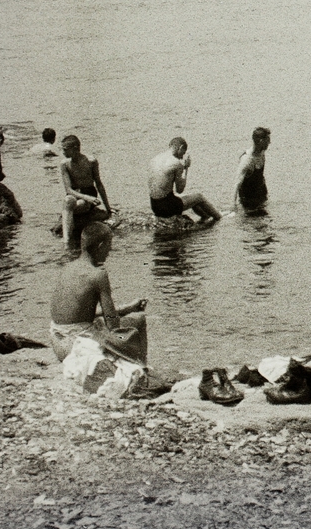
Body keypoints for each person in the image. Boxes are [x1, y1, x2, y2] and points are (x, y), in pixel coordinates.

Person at [48, 222, 147, 362]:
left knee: (107, 325)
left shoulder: (68, 267)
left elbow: (77, 315)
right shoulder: (98, 275)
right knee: (139, 321)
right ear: (100, 246)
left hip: (58, 342)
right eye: (109, 244)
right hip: (77, 346)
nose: (110, 250)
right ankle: (141, 368)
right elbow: (113, 325)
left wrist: (127, 308)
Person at [147, 137, 223, 223]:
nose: (182, 157)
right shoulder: (176, 163)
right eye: (183, 153)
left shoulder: (154, 159)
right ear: (181, 147)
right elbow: (180, 190)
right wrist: (186, 167)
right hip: (167, 207)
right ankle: (219, 217)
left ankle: (205, 217)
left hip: (155, 205)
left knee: (190, 197)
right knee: (199, 197)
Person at [59, 134, 113, 247]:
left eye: (65, 149)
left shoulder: (91, 161)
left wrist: (108, 208)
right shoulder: (65, 164)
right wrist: (88, 198)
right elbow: (68, 189)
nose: (63, 152)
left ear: (75, 147)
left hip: (88, 192)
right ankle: (66, 241)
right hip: (76, 194)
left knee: (77, 205)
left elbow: (98, 184)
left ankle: (67, 233)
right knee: (68, 200)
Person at [234, 126, 271, 212]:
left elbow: (260, 176)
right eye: (268, 140)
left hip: (261, 197)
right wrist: (233, 205)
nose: (269, 143)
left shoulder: (261, 153)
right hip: (249, 201)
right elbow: (237, 184)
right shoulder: (247, 159)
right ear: (261, 141)